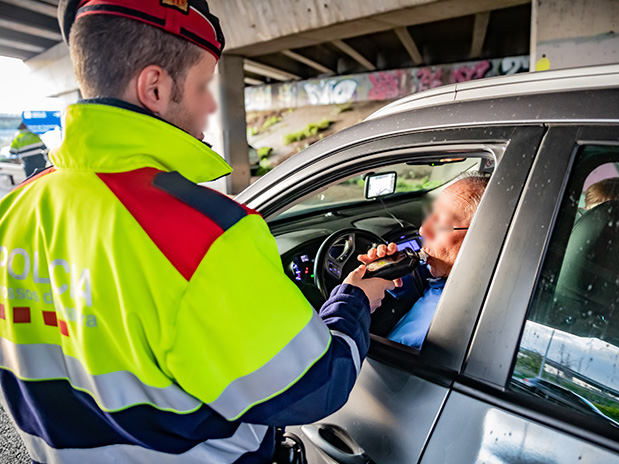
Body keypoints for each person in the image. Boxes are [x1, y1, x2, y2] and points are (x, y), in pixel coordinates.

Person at [0, 1, 398, 463]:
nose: (213, 105)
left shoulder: (14, 210)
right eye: (205, 85)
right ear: (154, 86)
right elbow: (313, 387)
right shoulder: (205, 235)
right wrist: (354, 301)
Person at [360, 173, 490, 349]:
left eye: (440, 223)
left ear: (482, 236)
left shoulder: (453, 326)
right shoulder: (448, 276)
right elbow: (419, 281)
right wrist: (387, 275)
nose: (423, 231)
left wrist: (353, 303)